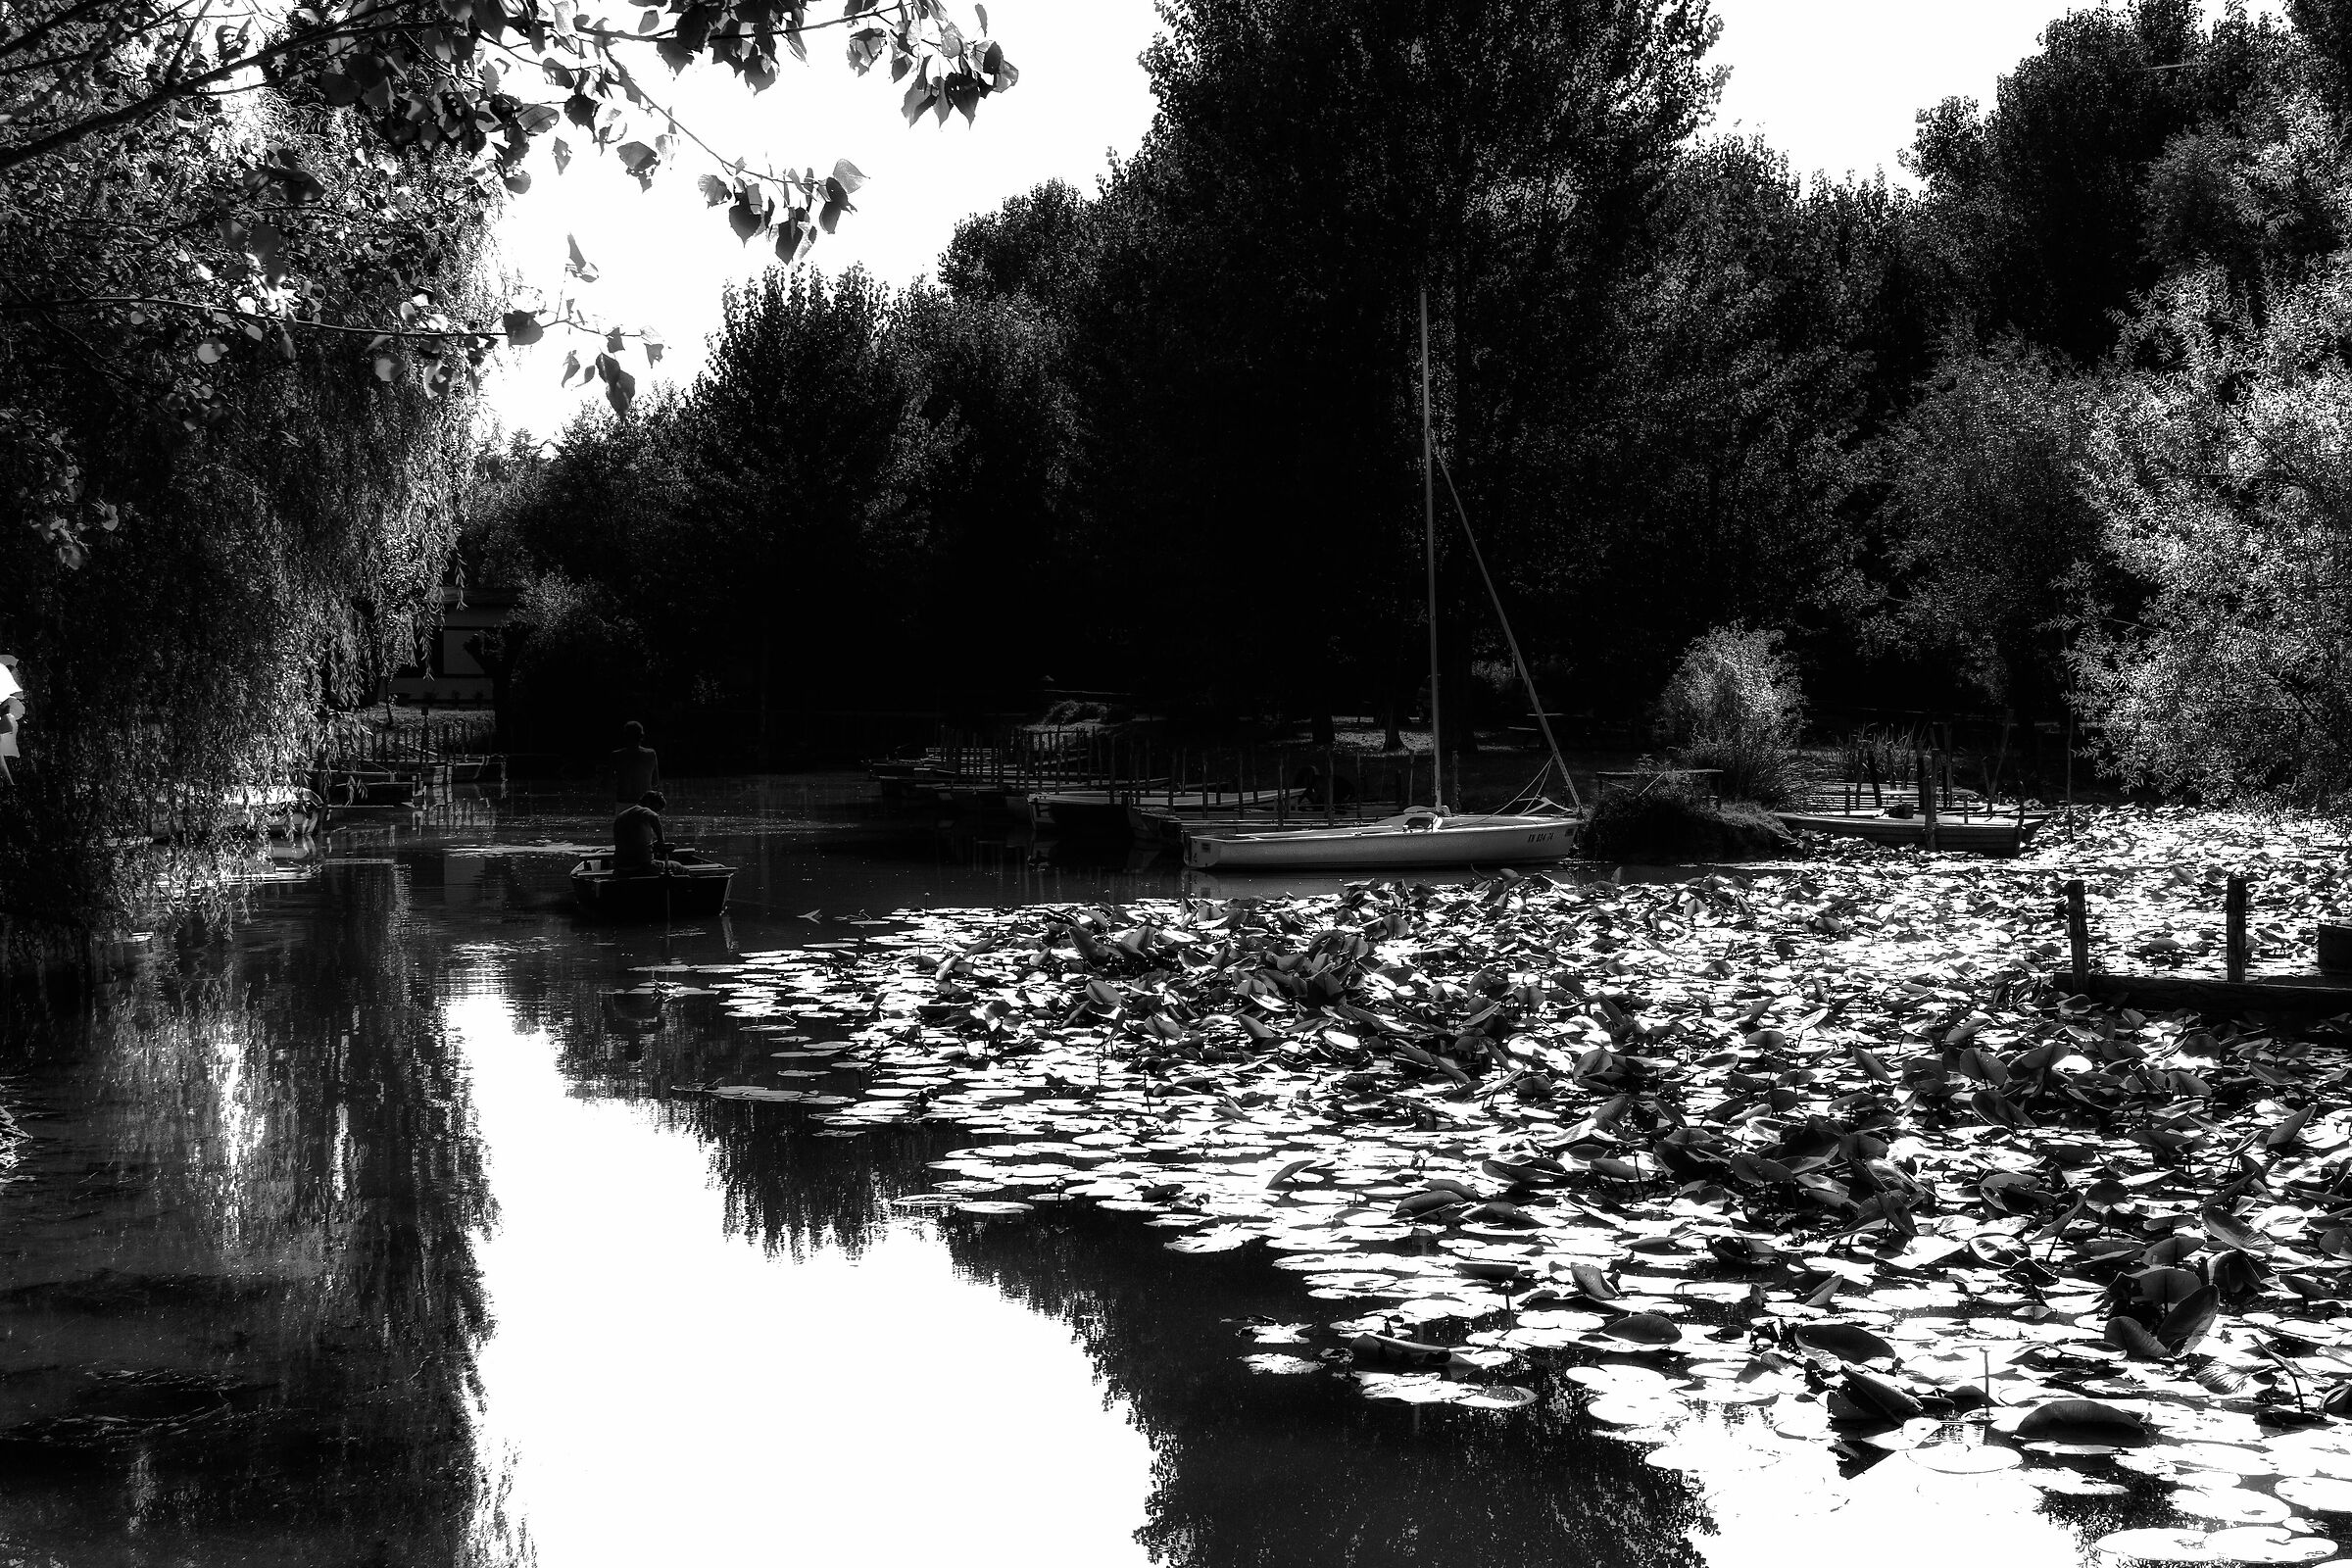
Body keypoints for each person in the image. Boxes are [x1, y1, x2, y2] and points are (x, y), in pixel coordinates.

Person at [613, 790, 675, 875]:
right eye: (655, 809)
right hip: (642, 866)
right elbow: (654, 816)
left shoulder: (621, 816)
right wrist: (661, 841)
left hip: (620, 866)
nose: (655, 812)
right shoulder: (643, 810)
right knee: (678, 867)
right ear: (648, 802)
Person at [612, 720, 661, 803]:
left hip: (623, 801)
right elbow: (655, 782)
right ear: (641, 736)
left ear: (625, 736)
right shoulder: (651, 754)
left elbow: (607, 784)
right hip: (644, 803)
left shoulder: (616, 755)